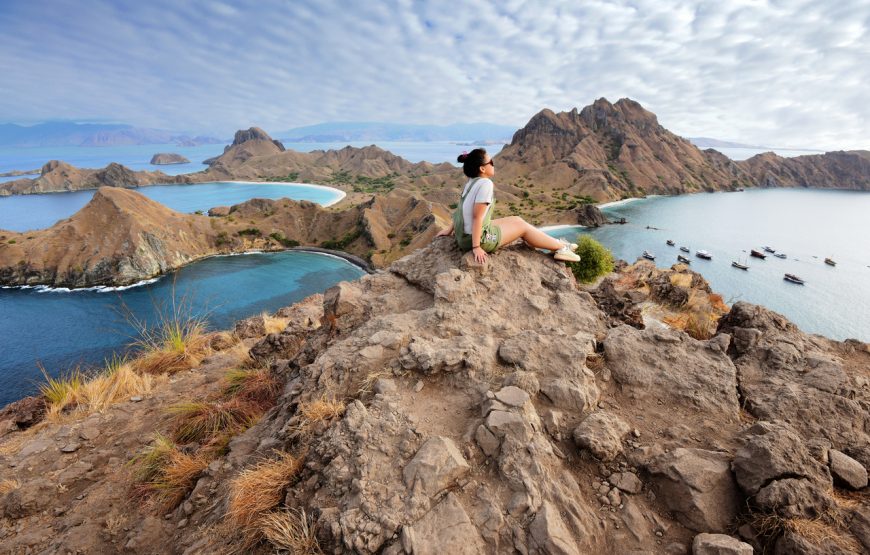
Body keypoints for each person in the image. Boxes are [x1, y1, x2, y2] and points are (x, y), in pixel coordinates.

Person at [435, 148, 580, 264]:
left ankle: (555, 243)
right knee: (523, 228)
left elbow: (460, 210)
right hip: (477, 239)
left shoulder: (471, 182)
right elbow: (477, 217)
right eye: (490, 162)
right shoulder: (485, 184)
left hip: (464, 235)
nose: (493, 164)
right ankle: (561, 249)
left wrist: (449, 230)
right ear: (482, 168)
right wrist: (476, 247)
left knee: (517, 219)